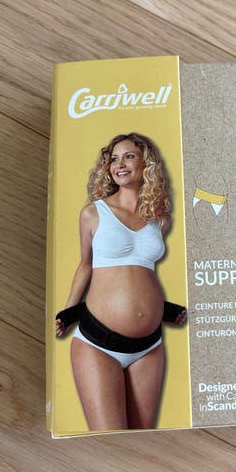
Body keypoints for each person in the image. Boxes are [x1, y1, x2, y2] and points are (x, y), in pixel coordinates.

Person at [55, 132, 186, 431]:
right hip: (97, 343)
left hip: (149, 346)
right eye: (114, 159)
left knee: (141, 441)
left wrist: (163, 309)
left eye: (128, 156)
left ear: (146, 164)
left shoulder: (159, 218)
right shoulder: (93, 213)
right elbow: (87, 265)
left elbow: (139, 275)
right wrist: (68, 312)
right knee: (109, 441)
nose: (119, 164)